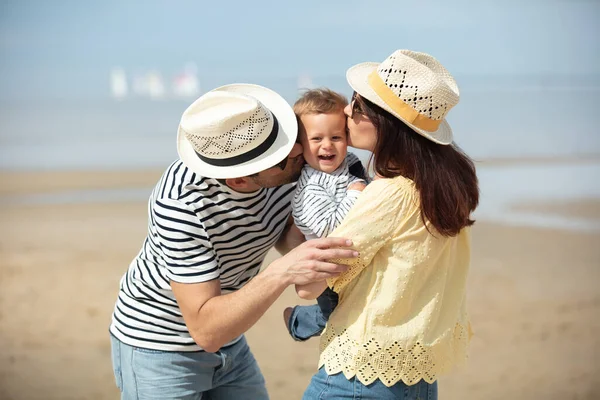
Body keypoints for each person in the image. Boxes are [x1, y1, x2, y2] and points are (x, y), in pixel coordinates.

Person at [108, 83, 359, 400]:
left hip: (231, 336)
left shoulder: (286, 165)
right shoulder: (183, 205)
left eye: (290, 139)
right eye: (283, 156)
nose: (298, 152)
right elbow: (206, 330)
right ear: (240, 180)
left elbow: (288, 232)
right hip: (160, 347)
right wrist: (282, 272)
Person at [300, 50, 479, 400]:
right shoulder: (444, 189)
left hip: (359, 374)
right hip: (418, 375)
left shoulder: (388, 195)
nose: (347, 111)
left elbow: (310, 285)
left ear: (385, 123)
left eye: (357, 105)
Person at [283, 88, 368, 342]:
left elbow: (365, 186)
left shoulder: (349, 162)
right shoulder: (309, 188)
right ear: (299, 145)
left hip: (352, 258)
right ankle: (297, 321)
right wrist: (356, 194)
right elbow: (328, 229)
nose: (327, 145)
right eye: (316, 138)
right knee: (332, 313)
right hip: (327, 267)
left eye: (336, 137)